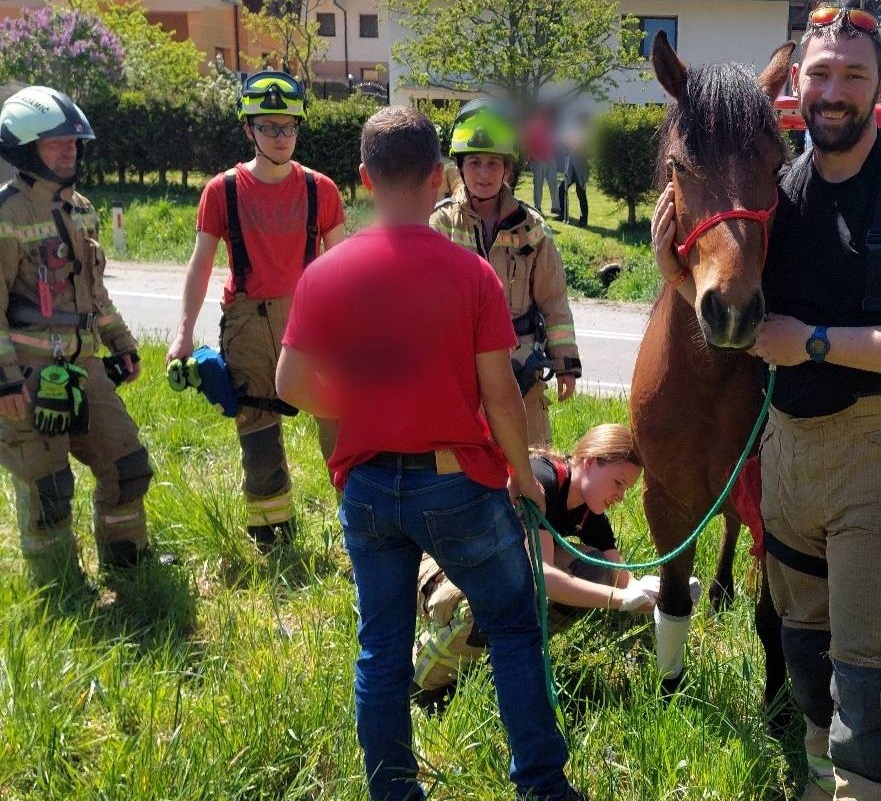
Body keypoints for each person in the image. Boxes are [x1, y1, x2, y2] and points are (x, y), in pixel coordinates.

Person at [653, 7, 881, 801]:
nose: (834, 93)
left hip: (878, 454)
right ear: (796, 84)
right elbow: (733, 299)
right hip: (791, 453)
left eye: (854, 76)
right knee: (804, 663)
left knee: (865, 688)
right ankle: (815, 784)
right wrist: (674, 272)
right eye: (821, 74)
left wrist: (818, 343)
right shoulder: (778, 191)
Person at [275, 106, 584, 801]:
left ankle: (392, 792)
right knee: (512, 626)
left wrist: (366, 410)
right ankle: (541, 785)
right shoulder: (471, 275)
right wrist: (522, 477)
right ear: (440, 176)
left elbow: (289, 382)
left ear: (362, 179)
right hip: (459, 488)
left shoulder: (327, 273)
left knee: (381, 651)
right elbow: (502, 397)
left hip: (368, 492)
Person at [167, 70, 346, 552]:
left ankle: (362, 529)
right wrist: (182, 335)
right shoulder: (221, 191)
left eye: (288, 127)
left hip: (314, 322)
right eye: (268, 127)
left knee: (340, 422)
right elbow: (201, 263)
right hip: (247, 322)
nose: (281, 137)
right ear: (249, 129)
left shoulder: (321, 189)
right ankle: (274, 538)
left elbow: (344, 267)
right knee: (258, 431)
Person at [0, 86, 166, 594]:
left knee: (128, 466)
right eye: (56, 143)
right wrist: (4, 382)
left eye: (74, 142)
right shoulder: (7, 216)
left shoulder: (82, 210)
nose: (69, 150)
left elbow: (94, 295)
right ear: (26, 149)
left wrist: (123, 343)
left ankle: (128, 569)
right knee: (49, 491)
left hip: (81, 370)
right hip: (23, 380)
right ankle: (59, 596)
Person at [411, 423, 694, 712]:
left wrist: (665, 596)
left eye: (627, 489)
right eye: (618, 483)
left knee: (594, 572)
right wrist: (620, 601)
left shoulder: (588, 509)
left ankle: (509, 654)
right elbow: (543, 576)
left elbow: (621, 579)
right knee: (497, 602)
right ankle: (421, 676)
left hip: (491, 569)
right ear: (589, 461)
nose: (620, 497)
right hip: (447, 567)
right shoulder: (541, 480)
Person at [431, 98, 581, 447]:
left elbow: (554, 301)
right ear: (460, 167)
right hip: (459, 370)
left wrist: (566, 365)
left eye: (493, 163)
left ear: (507, 169)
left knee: (529, 466)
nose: (484, 174)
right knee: (465, 466)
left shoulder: (532, 228)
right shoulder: (439, 225)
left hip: (521, 370)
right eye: (475, 163)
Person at [522, 104, 559, 216]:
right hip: (538, 160)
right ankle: (539, 207)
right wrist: (530, 156)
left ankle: (555, 207)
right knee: (539, 185)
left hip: (549, 159)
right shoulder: (532, 126)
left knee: (550, 184)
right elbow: (526, 143)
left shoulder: (549, 126)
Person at [556, 112, 590, 227]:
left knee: (581, 194)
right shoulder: (577, 132)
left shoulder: (586, 135)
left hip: (580, 170)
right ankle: (563, 214)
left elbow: (577, 148)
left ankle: (583, 219)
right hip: (571, 169)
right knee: (561, 188)